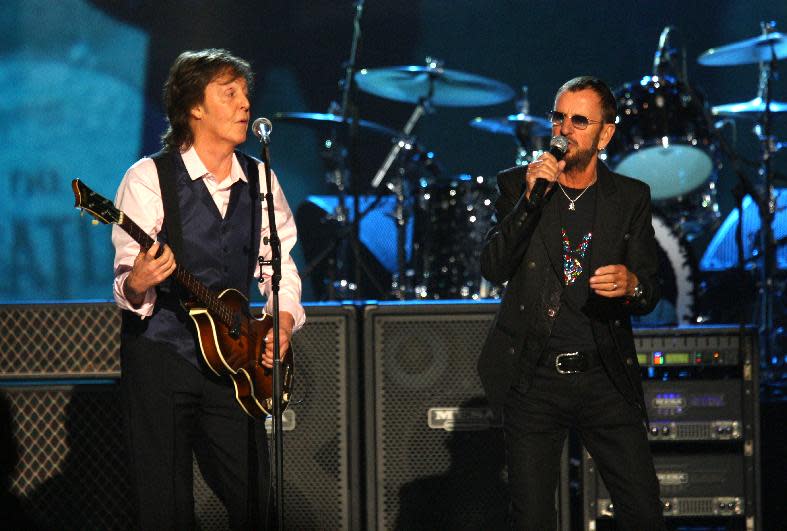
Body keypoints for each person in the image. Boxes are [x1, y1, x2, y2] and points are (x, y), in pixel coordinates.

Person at [111, 48, 305, 529]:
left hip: (234, 366)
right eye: (230, 93)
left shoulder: (261, 180)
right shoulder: (148, 178)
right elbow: (126, 281)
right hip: (163, 359)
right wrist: (139, 280)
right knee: (166, 508)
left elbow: (279, 267)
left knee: (256, 503)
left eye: (245, 93)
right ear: (194, 107)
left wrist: (280, 320)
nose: (245, 104)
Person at [477, 76, 666, 531]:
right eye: (559, 117)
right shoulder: (517, 186)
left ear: (605, 134)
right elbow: (493, 266)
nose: (564, 130)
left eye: (579, 121)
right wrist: (528, 199)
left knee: (643, 512)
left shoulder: (630, 198)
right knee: (534, 518)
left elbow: (651, 288)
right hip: (534, 376)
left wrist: (632, 283)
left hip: (604, 376)